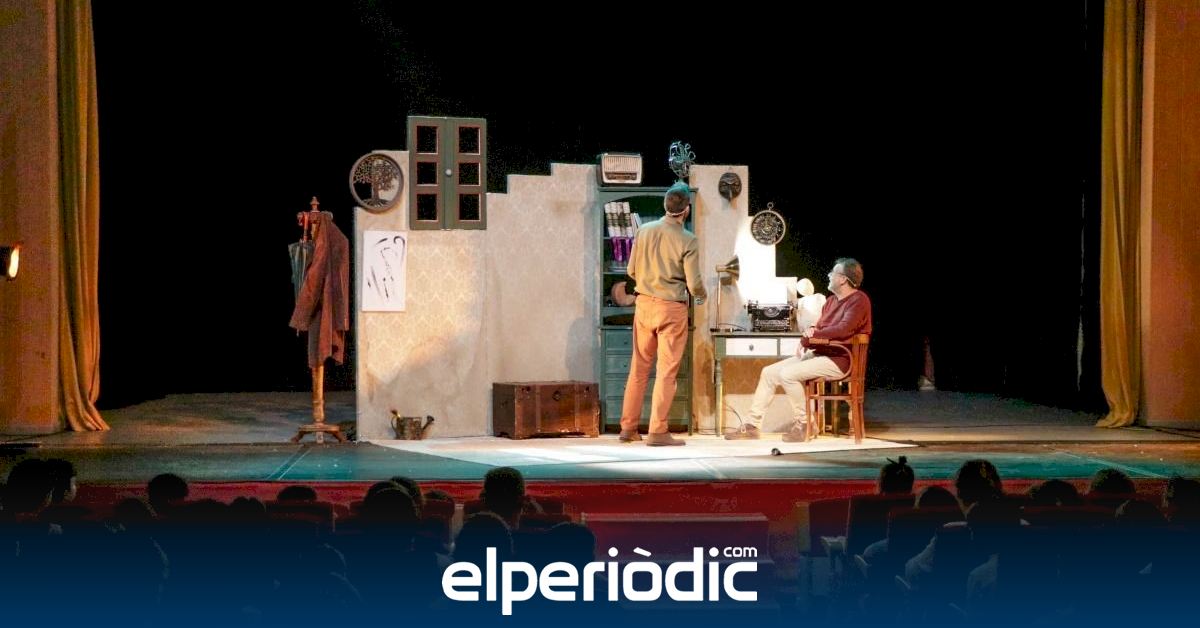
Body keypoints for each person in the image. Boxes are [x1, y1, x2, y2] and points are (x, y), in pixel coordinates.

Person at [727, 257, 872, 441]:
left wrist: (811, 337)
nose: (829, 275)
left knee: (787, 374)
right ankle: (752, 426)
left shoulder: (859, 300)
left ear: (843, 279)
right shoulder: (830, 301)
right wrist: (812, 330)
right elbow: (820, 328)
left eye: (833, 272)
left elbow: (843, 329)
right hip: (821, 354)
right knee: (769, 373)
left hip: (841, 360)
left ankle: (805, 424)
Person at [619, 181, 705, 447]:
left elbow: (631, 271)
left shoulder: (644, 230)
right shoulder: (688, 239)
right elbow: (694, 284)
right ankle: (657, 431)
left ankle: (628, 429)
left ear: (665, 206)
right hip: (671, 309)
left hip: (644, 306)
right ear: (686, 210)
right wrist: (702, 295)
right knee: (666, 372)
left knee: (638, 369)